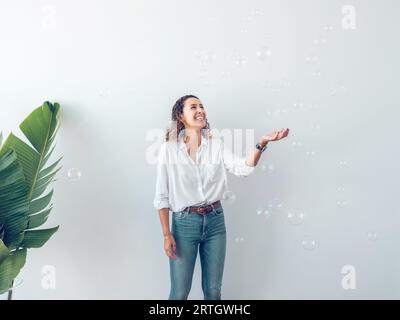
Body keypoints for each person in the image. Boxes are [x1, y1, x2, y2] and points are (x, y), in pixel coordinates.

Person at [153, 94, 289, 300]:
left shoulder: (215, 144)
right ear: (180, 116)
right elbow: (161, 195)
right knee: (179, 293)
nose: (200, 110)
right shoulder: (169, 149)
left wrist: (262, 143)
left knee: (213, 291)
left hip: (215, 222)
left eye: (201, 106)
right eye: (193, 107)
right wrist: (166, 234)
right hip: (184, 224)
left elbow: (243, 169)